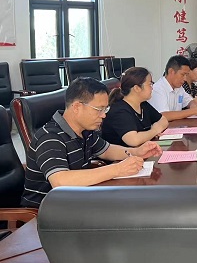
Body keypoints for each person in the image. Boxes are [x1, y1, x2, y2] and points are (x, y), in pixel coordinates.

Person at [21, 77, 162, 208]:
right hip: (47, 211)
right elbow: (60, 181)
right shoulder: (50, 137)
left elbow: (107, 150)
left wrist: (137, 152)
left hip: (77, 200)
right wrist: (117, 169)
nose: (104, 115)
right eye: (99, 109)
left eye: (105, 109)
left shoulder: (85, 130)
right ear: (77, 107)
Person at [101, 67, 169, 147]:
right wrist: (154, 131)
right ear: (137, 88)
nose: (152, 87)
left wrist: (149, 133)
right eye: (150, 84)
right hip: (121, 154)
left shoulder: (143, 104)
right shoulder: (119, 111)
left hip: (139, 151)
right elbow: (133, 140)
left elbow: (163, 120)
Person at [148, 55, 197, 121]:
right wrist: (193, 111)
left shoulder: (179, 87)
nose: (185, 79)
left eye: (186, 75)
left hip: (176, 125)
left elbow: (190, 101)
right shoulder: (158, 89)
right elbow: (164, 115)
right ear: (171, 71)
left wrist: (193, 106)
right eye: (182, 74)